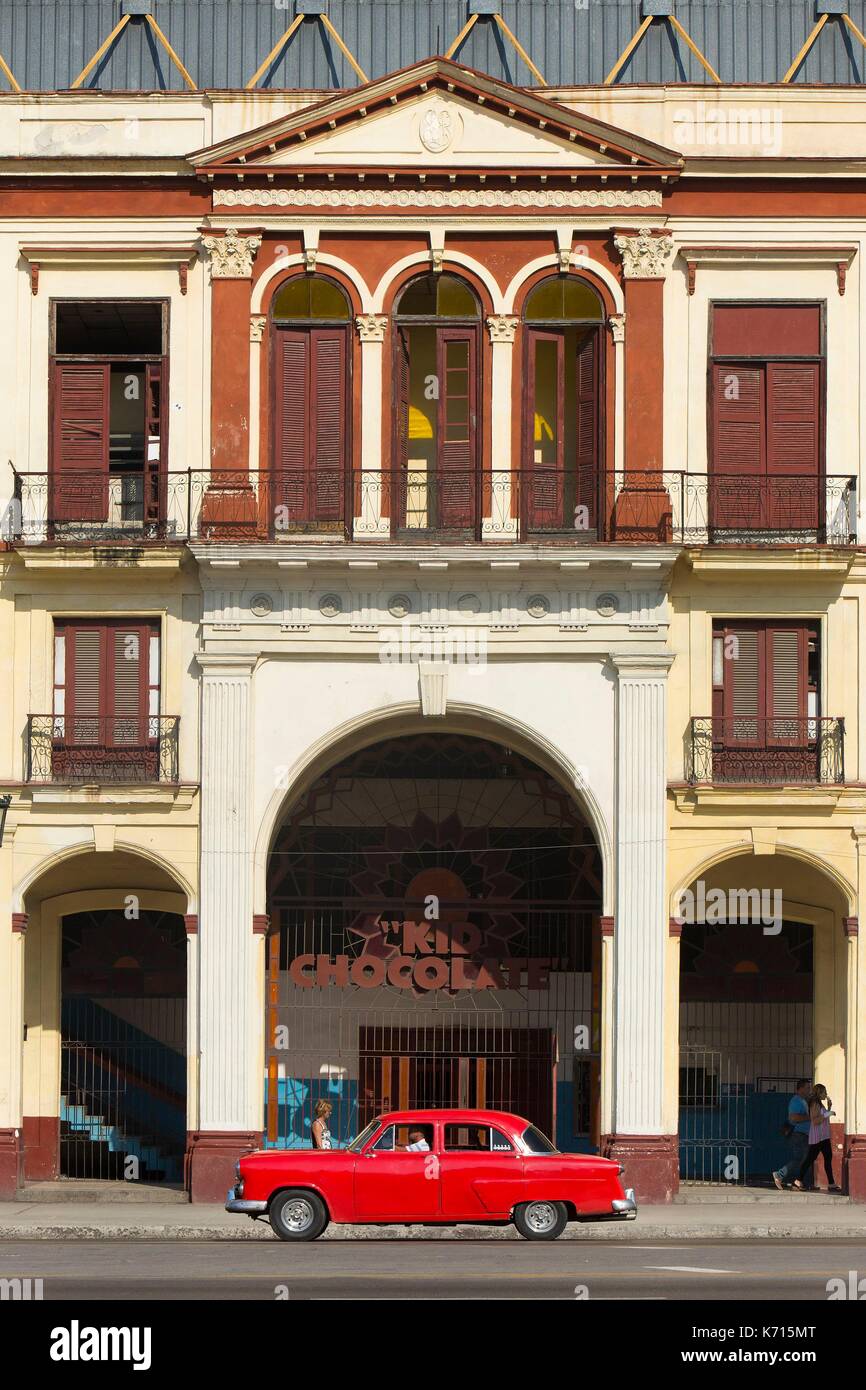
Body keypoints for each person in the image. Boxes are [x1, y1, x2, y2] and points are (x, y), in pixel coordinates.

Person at [792, 1085, 840, 1192]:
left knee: (827, 1158)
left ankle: (831, 1183)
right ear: (819, 1093)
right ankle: (798, 1181)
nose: (826, 1094)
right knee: (810, 1159)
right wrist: (829, 1113)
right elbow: (815, 1121)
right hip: (818, 1137)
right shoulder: (814, 1103)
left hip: (824, 1136)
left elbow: (822, 1117)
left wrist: (829, 1108)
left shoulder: (819, 1103)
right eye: (824, 1092)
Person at [773, 1079, 812, 1190]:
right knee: (804, 1159)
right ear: (800, 1089)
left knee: (800, 1159)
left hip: (803, 1135)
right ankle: (796, 1181)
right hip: (799, 1135)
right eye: (807, 1087)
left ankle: (782, 1176)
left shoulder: (803, 1101)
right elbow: (793, 1118)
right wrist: (810, 1117)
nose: (809, 1090)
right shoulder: (796, 1101)